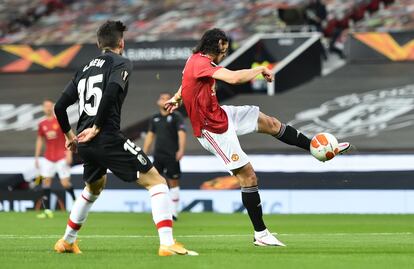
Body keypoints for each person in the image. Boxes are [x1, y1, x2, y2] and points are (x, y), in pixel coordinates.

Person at [165, 28, 352, 247]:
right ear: (216, 46)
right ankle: (261, 234)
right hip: (211, 130)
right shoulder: (202, 64)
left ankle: (314, 148)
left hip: (220, 114)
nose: (225, 52)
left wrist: (177, 98)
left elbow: (186, 83)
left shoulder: (194, 61)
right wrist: (260, 69)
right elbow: (234, 78)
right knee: (249, 177)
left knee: (270, 123)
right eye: (224, 48)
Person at [53, 20, 197, 256]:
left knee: (93, 188)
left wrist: (70, 136)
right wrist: (98, 127)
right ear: (121, 42)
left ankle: (67, 241)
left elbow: (59, 107)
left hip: (85, 142)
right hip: (105, 136)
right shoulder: (121, 62)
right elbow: (110, 92)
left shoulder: (84, 68)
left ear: (99, 43)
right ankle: (167, 244)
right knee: (157, 182)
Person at [143, 93, 186, 221]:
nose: (164, 100)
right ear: (158, 102)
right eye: (162, 98)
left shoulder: (176, 117)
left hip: (172, 155)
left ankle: (174, 212)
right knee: (155, 182)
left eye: (167, 98)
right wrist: (144, 152)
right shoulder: (154, 118)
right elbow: (150, 136)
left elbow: (182, 133)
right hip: (158, 155)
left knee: (173, 182)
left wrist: (181, 149)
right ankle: (158, 210)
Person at [35, 99, 76, 219]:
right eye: (45, 106)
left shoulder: (59, 121)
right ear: (43, 108)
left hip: (61, 157)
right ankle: (47, 210)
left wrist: (69, 153)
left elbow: (68, 135)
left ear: (52, 107)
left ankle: (76, 203)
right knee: (45, 182)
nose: (47, 108)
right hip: (48, 158)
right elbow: (40, 140)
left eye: (49, 106)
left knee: (65, 183)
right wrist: (37, 157)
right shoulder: (42, 124)